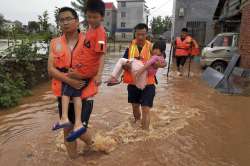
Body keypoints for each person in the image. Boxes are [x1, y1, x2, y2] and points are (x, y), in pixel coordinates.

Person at [48, 0, 106, 158]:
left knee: (79, 131)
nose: (65, 22)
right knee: (67, 128)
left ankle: (94, 145)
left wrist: (99, 75)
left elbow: (101, 56)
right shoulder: (55, 43)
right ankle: (73, 160)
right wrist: (69, 81)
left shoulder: (90, 37)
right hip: (65, 90)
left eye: (68, 19)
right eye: (61, 20)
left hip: (85, 91)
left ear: (77, 20)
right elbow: (51, 69)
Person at [117, 23, 166, 130]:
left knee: (145, 109)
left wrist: (159, 64)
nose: (140, 37)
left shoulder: (153, 47)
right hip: (133, 83)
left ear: (146, 34)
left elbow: (164, 62)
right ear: (135, 34)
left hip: (148, 84)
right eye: (138, 34)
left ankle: (145, 134)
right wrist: (127, 66)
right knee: (135, 107)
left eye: (143, 35)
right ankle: (137, 125)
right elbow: (122, 63)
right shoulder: (130, 48)